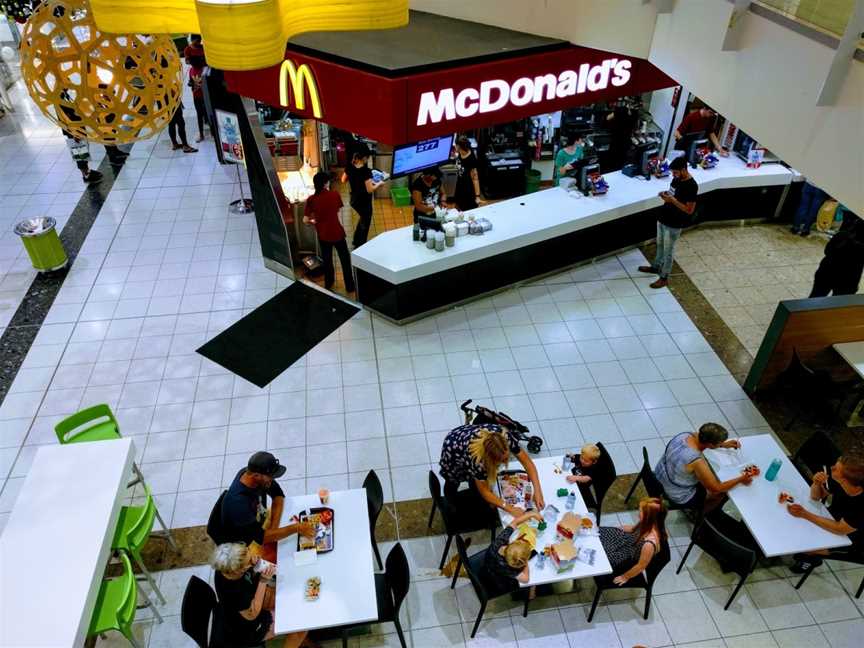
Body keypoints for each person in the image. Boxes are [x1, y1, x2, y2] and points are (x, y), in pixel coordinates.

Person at [211, 452, 314, 563]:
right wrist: (295, 528)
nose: (272, 479)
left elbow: (278, 495)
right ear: (256, 475)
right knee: (289, 560)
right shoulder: (238, 504)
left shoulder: (255, 476)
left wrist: (274, 530)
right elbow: (261, 537)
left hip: (260, 524)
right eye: (270, 477)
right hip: (245, 544)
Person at [211, 543, 312, 648]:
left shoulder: (226, 565)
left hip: (243, 608)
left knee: (291, 595)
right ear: (238, 571)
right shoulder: (233, 590)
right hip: (247, 629)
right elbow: (251, 614)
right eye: (249, 562)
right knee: (301, 625)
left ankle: (302, 641)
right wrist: (263, 580)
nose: (253, 560)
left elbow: (251, 571)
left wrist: (254, 563)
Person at [439, 423, 545, 518]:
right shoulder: (478, 461)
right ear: (491, 461)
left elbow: (527, 463)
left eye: (507, 457)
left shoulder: (505, 437)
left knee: (477, 483)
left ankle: (475, 492)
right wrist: (510, 508)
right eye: (502, 461)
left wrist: (538, 491)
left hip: (466, 437)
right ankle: (450, 504)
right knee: (452, 481)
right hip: (453, 449)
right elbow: (484, 491)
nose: (506, 462)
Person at [787, 451, 864, 573]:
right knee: (795, 528)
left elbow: (840, 529)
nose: (832, 468)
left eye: (836, 469)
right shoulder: (837, 479)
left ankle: (812, 560)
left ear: (845, 480)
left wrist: (805, 514)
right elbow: (816, 497)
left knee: (806, 547)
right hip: (834, 517)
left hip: (853, 540)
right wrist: (816, 483)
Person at [654, 423, 754, 512]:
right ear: (710, 444)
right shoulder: (696, 460)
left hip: (660, 474)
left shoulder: (685, 435)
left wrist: (723, 445)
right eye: (719, 442)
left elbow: (703, 441)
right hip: (677, 493)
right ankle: (699, 514)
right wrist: (741, 479)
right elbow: (716, 488)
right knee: (721, 493)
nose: (721, 443)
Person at [638, 155, 698, 289]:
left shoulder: (692, 186)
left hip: (674, 223)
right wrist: (665, 195)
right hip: (663, 217)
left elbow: (689, 210)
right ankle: (656, 266)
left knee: (668, 251)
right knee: (659, 244)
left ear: (683, 170)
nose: (673, 175)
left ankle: (664, 277)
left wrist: (673, 201)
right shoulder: (676, 180)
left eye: (675, 172)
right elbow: (672, 194)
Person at [303, 171, 355, 292]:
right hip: (337, 233)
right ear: (326, 183)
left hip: (323, 234)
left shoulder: (311, 199)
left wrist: (314, 222)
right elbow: (336, 210)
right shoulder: (334, 195)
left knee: (327, 260)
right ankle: (350, 286)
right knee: (345, 259)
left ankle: (329, 283)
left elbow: (305, 220)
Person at [600, 497, 667, 585]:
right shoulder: (647, 523)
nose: (638, 514)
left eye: (641, 512)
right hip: (628, 540)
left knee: (601, 553)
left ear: (650, 517)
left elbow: (640, 566)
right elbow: (633, 529)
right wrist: (622, 528)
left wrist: (625, 576)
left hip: (628, 556)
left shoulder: (649, 544)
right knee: (600, 533)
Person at [484, 510, 543, 590]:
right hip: (498, 578)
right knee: (532, 583)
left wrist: (531, 514)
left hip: (488, 562)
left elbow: (514, 522)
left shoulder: (499, 542)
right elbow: (526, 579)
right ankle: (531, 592)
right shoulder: (508, 569)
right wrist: (526, 562)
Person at [340, 146, 384, 248]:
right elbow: (369, 190)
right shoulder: (366, 171)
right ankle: (361, 245)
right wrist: (379, 183)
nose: (367, 159)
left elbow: (343, 180)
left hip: (354, 200)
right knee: (365, 223)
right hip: (364, 201)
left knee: (362, 219)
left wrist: (354, 179)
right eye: (367, 157)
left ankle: (356, 240)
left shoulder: (350, 166)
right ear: (364, 158)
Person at [808, 220, 864, 297]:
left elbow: (827, 251)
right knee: (838, 305)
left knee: (815, 298)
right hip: (848, 281)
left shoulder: (841, 235)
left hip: (826, 273)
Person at [565, 443, 601, 510]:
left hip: (581, 487)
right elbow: (575, 457)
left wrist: (576, 478)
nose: (582, 461)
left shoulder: (593, 469)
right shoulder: (581, 457)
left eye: (586, 461)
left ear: (594, 462)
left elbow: (586, 479)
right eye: (582, 458)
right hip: (571, 479)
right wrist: (571, 456)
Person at [453, 136, 482, 211]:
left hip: (468, 190)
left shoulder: (471, 159)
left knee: (468, 210)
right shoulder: (460, 152)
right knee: (457, 207)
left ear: (459, 146)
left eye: (455, 144)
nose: (454, 146)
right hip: (459, 185)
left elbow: (475, 178)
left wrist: (477, 196)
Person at [189, 59, 208, 142]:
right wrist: (191, 84)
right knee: (199, 115)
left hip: (205, 96)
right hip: (196, 96)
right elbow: (190, 81)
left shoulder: (204, 69)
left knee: (207, 114)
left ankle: (213, 133)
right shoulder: (191, 70)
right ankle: (201, 134)